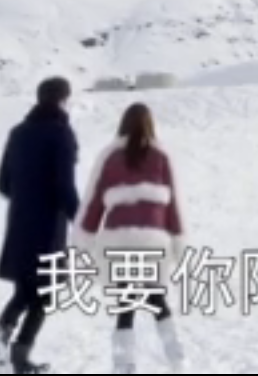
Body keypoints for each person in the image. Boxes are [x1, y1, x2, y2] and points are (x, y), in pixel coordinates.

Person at [78, 102, 186, 373]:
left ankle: (123, 366)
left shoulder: (110, 157)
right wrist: (178, 242)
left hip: (119, 241)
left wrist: (84, 240)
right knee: (157, 300)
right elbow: (174, 205)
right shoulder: (162, 156)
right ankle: (178, 360)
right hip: (153, 241)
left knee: (126, 304)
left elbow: (94, 203)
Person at [0, 76, 82, 375]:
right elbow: (64, 186)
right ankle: (10, 347)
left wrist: (26, 197)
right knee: (46, 293)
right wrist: (82, 221)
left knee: (26, 290)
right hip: (48, 229)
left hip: (19, 224)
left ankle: (12, 352)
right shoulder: (61, 133)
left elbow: (3, 183)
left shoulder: (17, 133)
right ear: (64, 100)